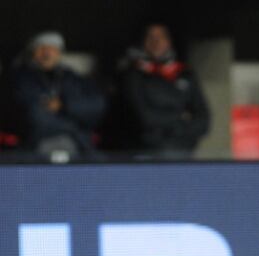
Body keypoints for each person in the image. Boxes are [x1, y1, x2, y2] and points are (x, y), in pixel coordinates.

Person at [116, 24, 210, 159]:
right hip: (145, 151)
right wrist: (181, 118)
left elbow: (204, 120)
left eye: (161, 36)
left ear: (169, 40)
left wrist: (176, 128)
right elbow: (145, 119)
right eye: (151, 37)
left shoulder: (185, 73)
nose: (156, 42)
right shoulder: (133, 74)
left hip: (183, 150)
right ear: (142, 41)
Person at [8, 31, 104, 162]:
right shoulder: (20, 78)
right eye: (42, 48)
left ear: (59, 53)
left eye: (52, 49)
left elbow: (97, 106)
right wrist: (75, 126)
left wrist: (64, 106)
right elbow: (34, 117)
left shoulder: (72, 78)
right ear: (32, 52)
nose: (47, 53)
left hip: (78, 148)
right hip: (34, 149)